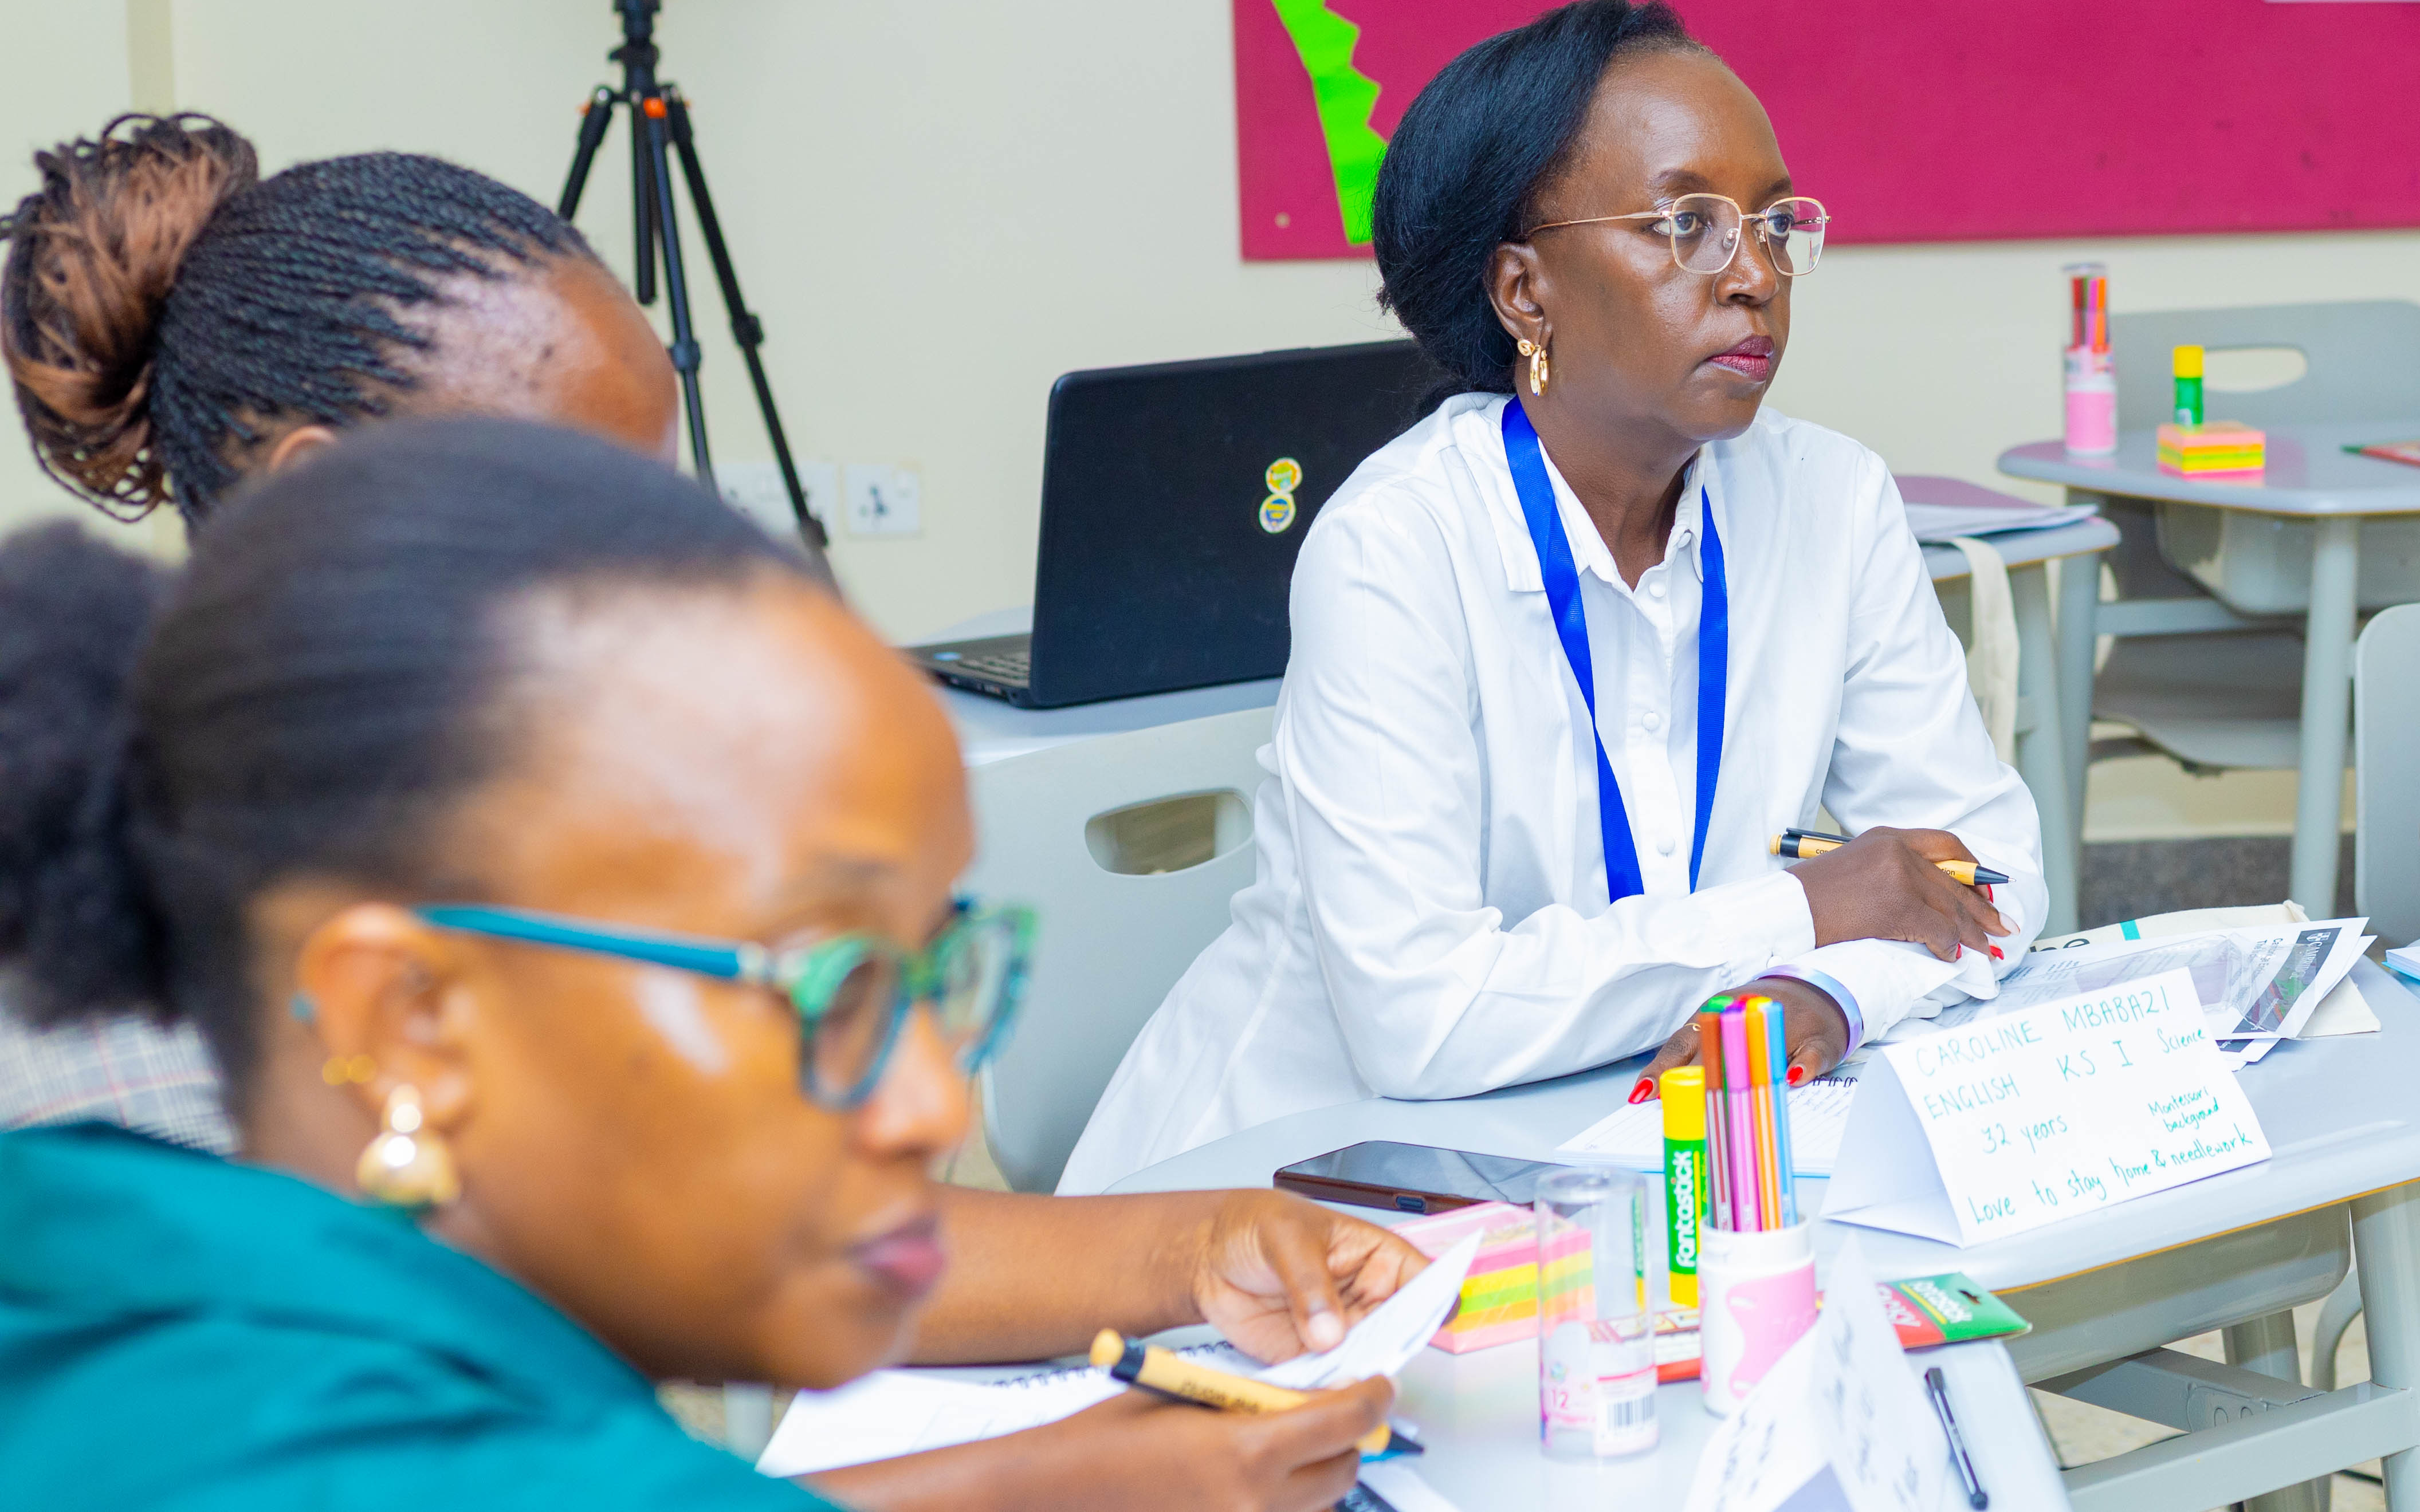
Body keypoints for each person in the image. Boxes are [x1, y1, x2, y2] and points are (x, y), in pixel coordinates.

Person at [0, 120, 1422, 1511]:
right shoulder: (154, 1136)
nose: (931, 1104)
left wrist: (1190, 1249)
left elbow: (752, 1219)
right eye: (591, 512)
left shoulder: (461, 851)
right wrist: (1040, 1486)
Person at [1064, 0, 2044, 1187]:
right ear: (1526, 292)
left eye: (1773, 223)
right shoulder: (1397, 545)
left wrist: (1824, 992)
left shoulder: (1832, 500)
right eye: (1686, 224)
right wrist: (1802, 911)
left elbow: (1989, 869)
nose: (1755, 275)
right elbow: (1420, 1021)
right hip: (1293, 1177)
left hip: (1620, 1145)